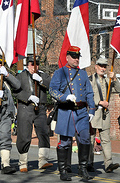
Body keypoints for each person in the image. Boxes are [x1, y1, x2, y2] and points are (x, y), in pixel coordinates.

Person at [49, 46, 96, 181]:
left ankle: (83, 169)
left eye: (77, 57)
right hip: (66, 111)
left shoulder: (82, 74)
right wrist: (64, 97)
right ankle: (63, 170)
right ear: (67, 57)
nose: (76, 60)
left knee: (85, 138)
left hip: (81, 112)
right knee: (65, 142)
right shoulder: (60, 72)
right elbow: (52, 90)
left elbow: (89, 93)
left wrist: (91, 110)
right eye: (74, 57)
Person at [14, 55, 53, 172]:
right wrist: (28, 97)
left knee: (43, 133)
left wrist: (40, 80)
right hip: (25, 107)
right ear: (28, 64)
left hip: (40, 108)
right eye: (32, 64)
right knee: (24, 134)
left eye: (36, 64)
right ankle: (23, 162)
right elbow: (16, 91)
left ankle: (43, 160)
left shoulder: (42, 75)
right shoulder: (20, 76)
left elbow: (51, 86)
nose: (34, 67)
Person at [88, 57, 120, 173]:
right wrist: (98, 102)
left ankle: (108, 164)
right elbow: (87, 96)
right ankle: (89, 163)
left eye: (104, 66)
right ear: (96, 66)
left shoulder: (108, 81)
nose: (103, 68)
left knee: (106, 140)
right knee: (91, 139)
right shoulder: (90, 80)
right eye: (100, 66)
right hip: (93, 112)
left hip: (105, 114)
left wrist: (115, 79)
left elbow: (119, 89)